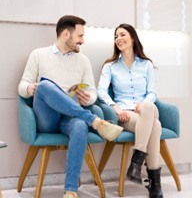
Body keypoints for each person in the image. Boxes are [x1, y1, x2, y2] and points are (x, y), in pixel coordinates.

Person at [18, 15, 123, 198]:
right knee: (44, 85)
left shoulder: (83, 60)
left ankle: (71, 190)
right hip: (47, 118)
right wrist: (31, 88)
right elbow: (22, 87)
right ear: (66, 34)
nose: (83, 41)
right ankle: (95, 121)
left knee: (80, 125)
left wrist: (87, 98)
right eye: (80, 36)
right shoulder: (39, 55)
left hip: (71, 116)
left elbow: (92, 92)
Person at [97, 23, 163, 198]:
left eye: (122, 35)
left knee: (148, 107)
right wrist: (115, 107)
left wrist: (143, 103)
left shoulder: (146, 65)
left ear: (132, 38)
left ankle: (136, 161)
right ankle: (155, 185)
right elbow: (101, 91)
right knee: (155, 126)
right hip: (126, 114)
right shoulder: (110, 66)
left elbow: (152, 92)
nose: (118, 38)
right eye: (116, 36)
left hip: (146, 110)